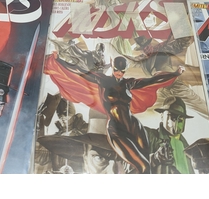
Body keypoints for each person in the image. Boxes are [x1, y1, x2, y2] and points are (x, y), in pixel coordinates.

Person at [47, 53, 183, 174]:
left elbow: (151, 80)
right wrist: (59, 61)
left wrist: (175, 74)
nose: (119, 73)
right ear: (112, 67)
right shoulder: (103, 81)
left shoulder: (128, 83)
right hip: (116, 129)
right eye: (116, 70)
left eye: (122, 71)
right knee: (143, 166)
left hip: (134, 126)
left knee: (145, 164)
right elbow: (80, 71)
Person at [145, 96, 195, 174]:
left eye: (180, 119)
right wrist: (154, 158)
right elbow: (133, 163)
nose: (176, 122)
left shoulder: (187, 146)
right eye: (172, 116)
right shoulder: (149, 136)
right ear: (162, 116)